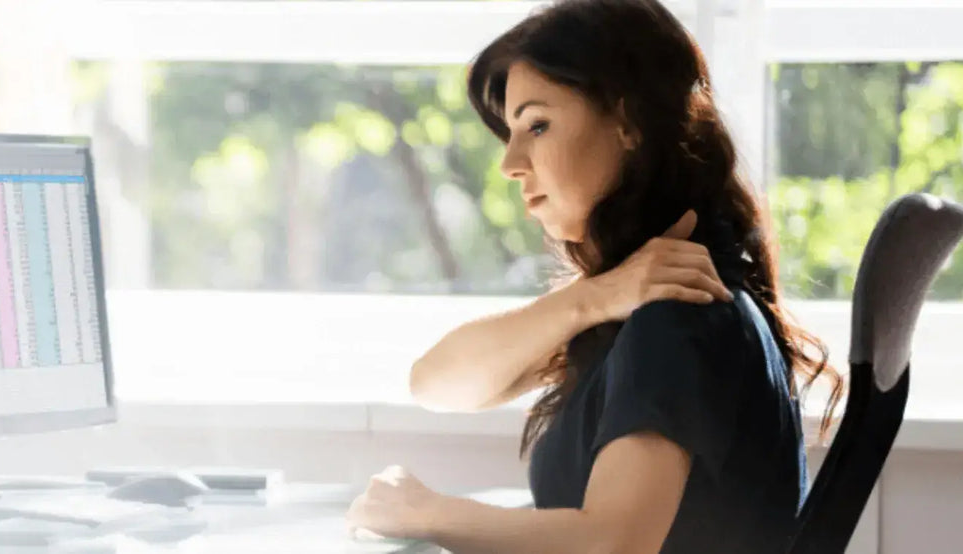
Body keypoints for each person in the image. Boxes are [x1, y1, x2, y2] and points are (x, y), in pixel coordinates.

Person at [345, 1, 844, 552]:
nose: (511, 163)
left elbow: (614, 542)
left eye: (537, 125)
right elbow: (433, 383)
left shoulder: (677, 314)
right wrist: (591, 298)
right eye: (510, 133)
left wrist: (430, 513)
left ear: (627, 124)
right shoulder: (646, 298)